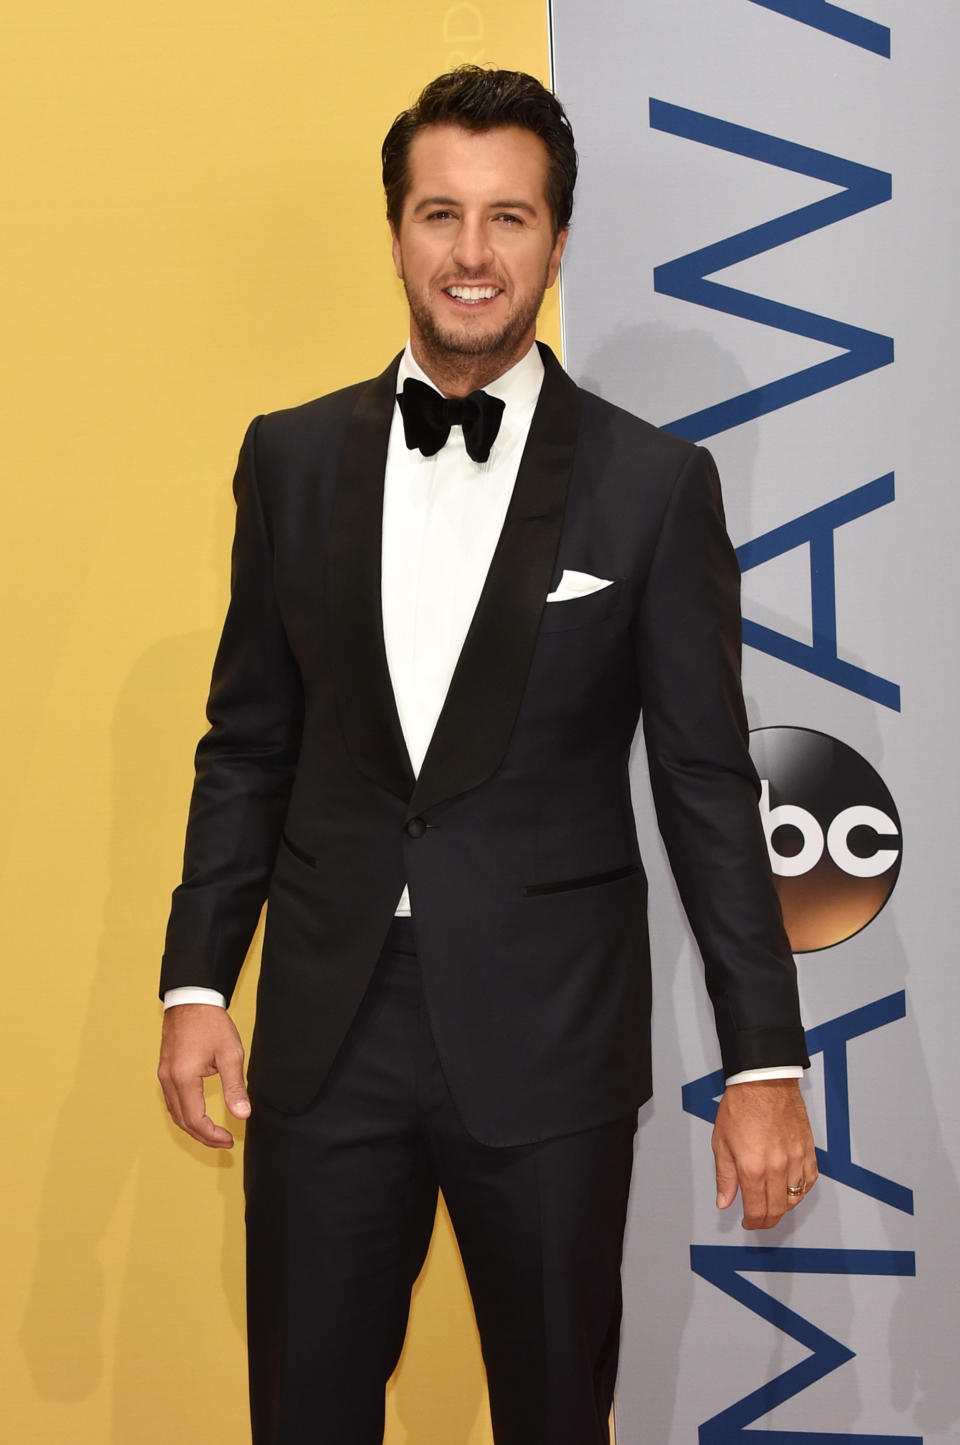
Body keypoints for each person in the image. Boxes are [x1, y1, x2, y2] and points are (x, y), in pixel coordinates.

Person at [158, 65, 816, 1445]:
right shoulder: (286, 460)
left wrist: (764, 1061)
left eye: (509, 217)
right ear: (396, 231)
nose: (472, 254)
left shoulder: (651, 485)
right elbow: (248, 743)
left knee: (556, 1420)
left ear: (558, 243)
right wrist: (200, 974)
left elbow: (704, 781)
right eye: (440, 213)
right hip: (329, 1035)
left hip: (550, 1041)